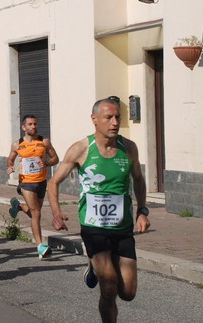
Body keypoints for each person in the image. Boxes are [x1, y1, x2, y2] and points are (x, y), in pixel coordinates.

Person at [47, 98, 150, 323]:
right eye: (108, 118)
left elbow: (139, 179)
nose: (114, 122)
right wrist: (56, 212)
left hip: (122, 227)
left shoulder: (128, 147)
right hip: (94, 226)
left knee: (128, 292)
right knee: (109, 286)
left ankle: (93, 268)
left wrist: (142, 210)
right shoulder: (81, 149)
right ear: (94, 120)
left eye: (118, 118)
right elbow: (53, 182)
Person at [6, 114, 59, 259]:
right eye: (29, 124)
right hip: (26, 183)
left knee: (33, 213)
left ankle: (18, 206)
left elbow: (56, 158)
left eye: (35, 124)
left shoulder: (44, 142)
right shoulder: (17, 144)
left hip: (41, 182)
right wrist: (10, 167)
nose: (33, 127)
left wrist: (47, 163)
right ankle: (40, 246)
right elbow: (10, 160)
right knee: (36, 214)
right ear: (24, 127)